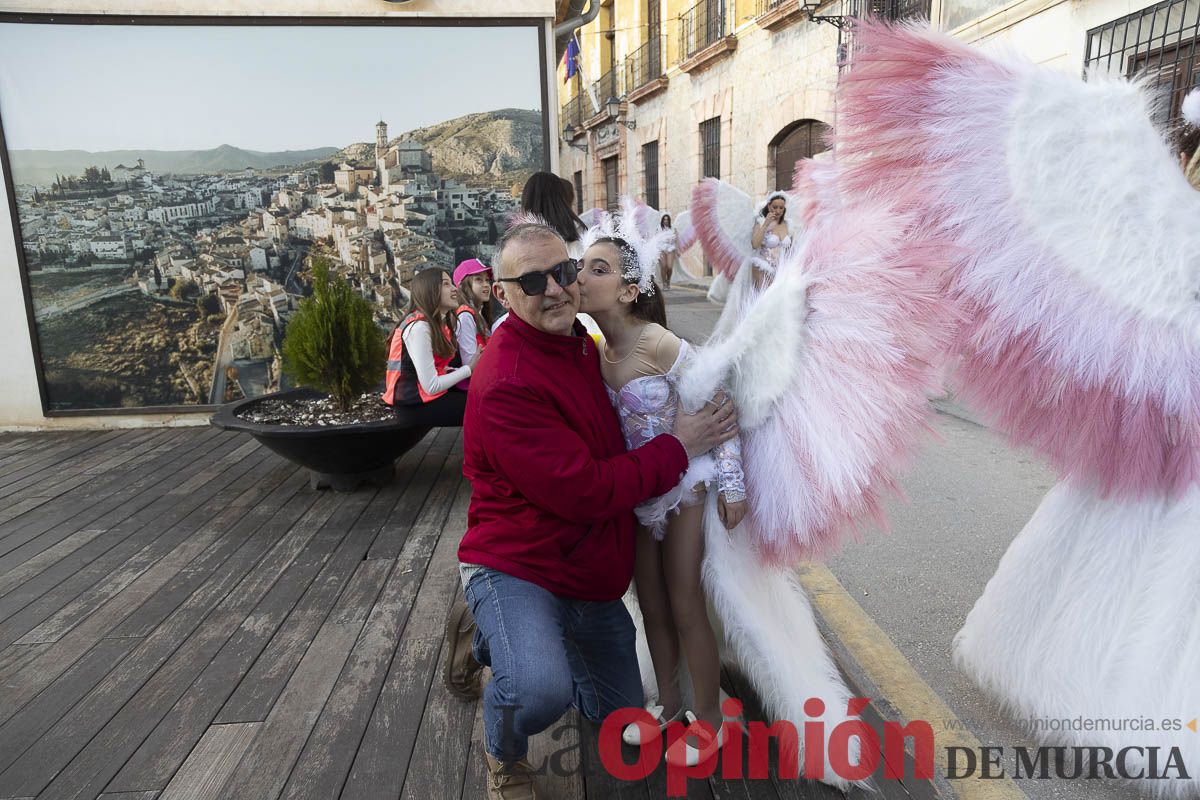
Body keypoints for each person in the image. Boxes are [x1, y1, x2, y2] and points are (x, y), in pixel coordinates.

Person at [449, 220, 738, 799]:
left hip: (586, 572)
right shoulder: (507, 380)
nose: (555, 287)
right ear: (501, 293)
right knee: (535, 691)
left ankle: (508, 641)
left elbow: (704, 385)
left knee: (623, 718)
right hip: (521, 566)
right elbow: (586, 490)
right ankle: (504, 751)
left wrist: (726, 471)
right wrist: (678, 446)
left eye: (564, 271)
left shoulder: (583, 342)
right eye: (532, 281)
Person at [575, 217, 747, 767]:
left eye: (597, 269)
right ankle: (669, 708)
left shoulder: (657, 341)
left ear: (629, 290)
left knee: (683, 601)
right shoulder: (595, 350)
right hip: (637, 495)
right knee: (649, 605)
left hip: (684, 492)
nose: (582, 276)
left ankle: (710, 719)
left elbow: (718, 400)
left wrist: (734, 483)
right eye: (582, 266)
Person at [382, 268, 473, 426]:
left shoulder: (430, 324)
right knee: (484, 406)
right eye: (446, 284)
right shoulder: (419, 328)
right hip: (414, 406)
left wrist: (446, 371)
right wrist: (469, 369)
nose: (454, 288)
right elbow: (431, 386)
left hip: (418, 399)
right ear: (430, 291)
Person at [452, 258, 493, 390]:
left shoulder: (477, 314)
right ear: (464, 286)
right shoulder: (465, 316)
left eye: (487, 280)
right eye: (478, 280)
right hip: (472, 387)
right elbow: (470, 363)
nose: (486, 284)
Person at [748, 192, 790, 288]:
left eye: (781, 208)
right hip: (763, 269)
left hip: (781, 271)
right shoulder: (760, 222)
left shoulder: (787, 225)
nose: (778, 211)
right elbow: (755, 244)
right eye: (775, 207)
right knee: (766, 300)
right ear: (769, 206)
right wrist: (766, 224)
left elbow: (790, 249)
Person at [658, 213, 678, 290]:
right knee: (663, 266)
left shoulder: (673, 228)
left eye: (667, 219)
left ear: (669, 220)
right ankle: (664, 283)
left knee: (669, 267)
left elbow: (676, 239)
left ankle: (668, 280)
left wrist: (677, 250)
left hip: (671, 248)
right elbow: (656, 239)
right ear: (662, 220)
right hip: (661, 249)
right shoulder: (659, 228)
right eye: (664, 219)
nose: (665, 221)